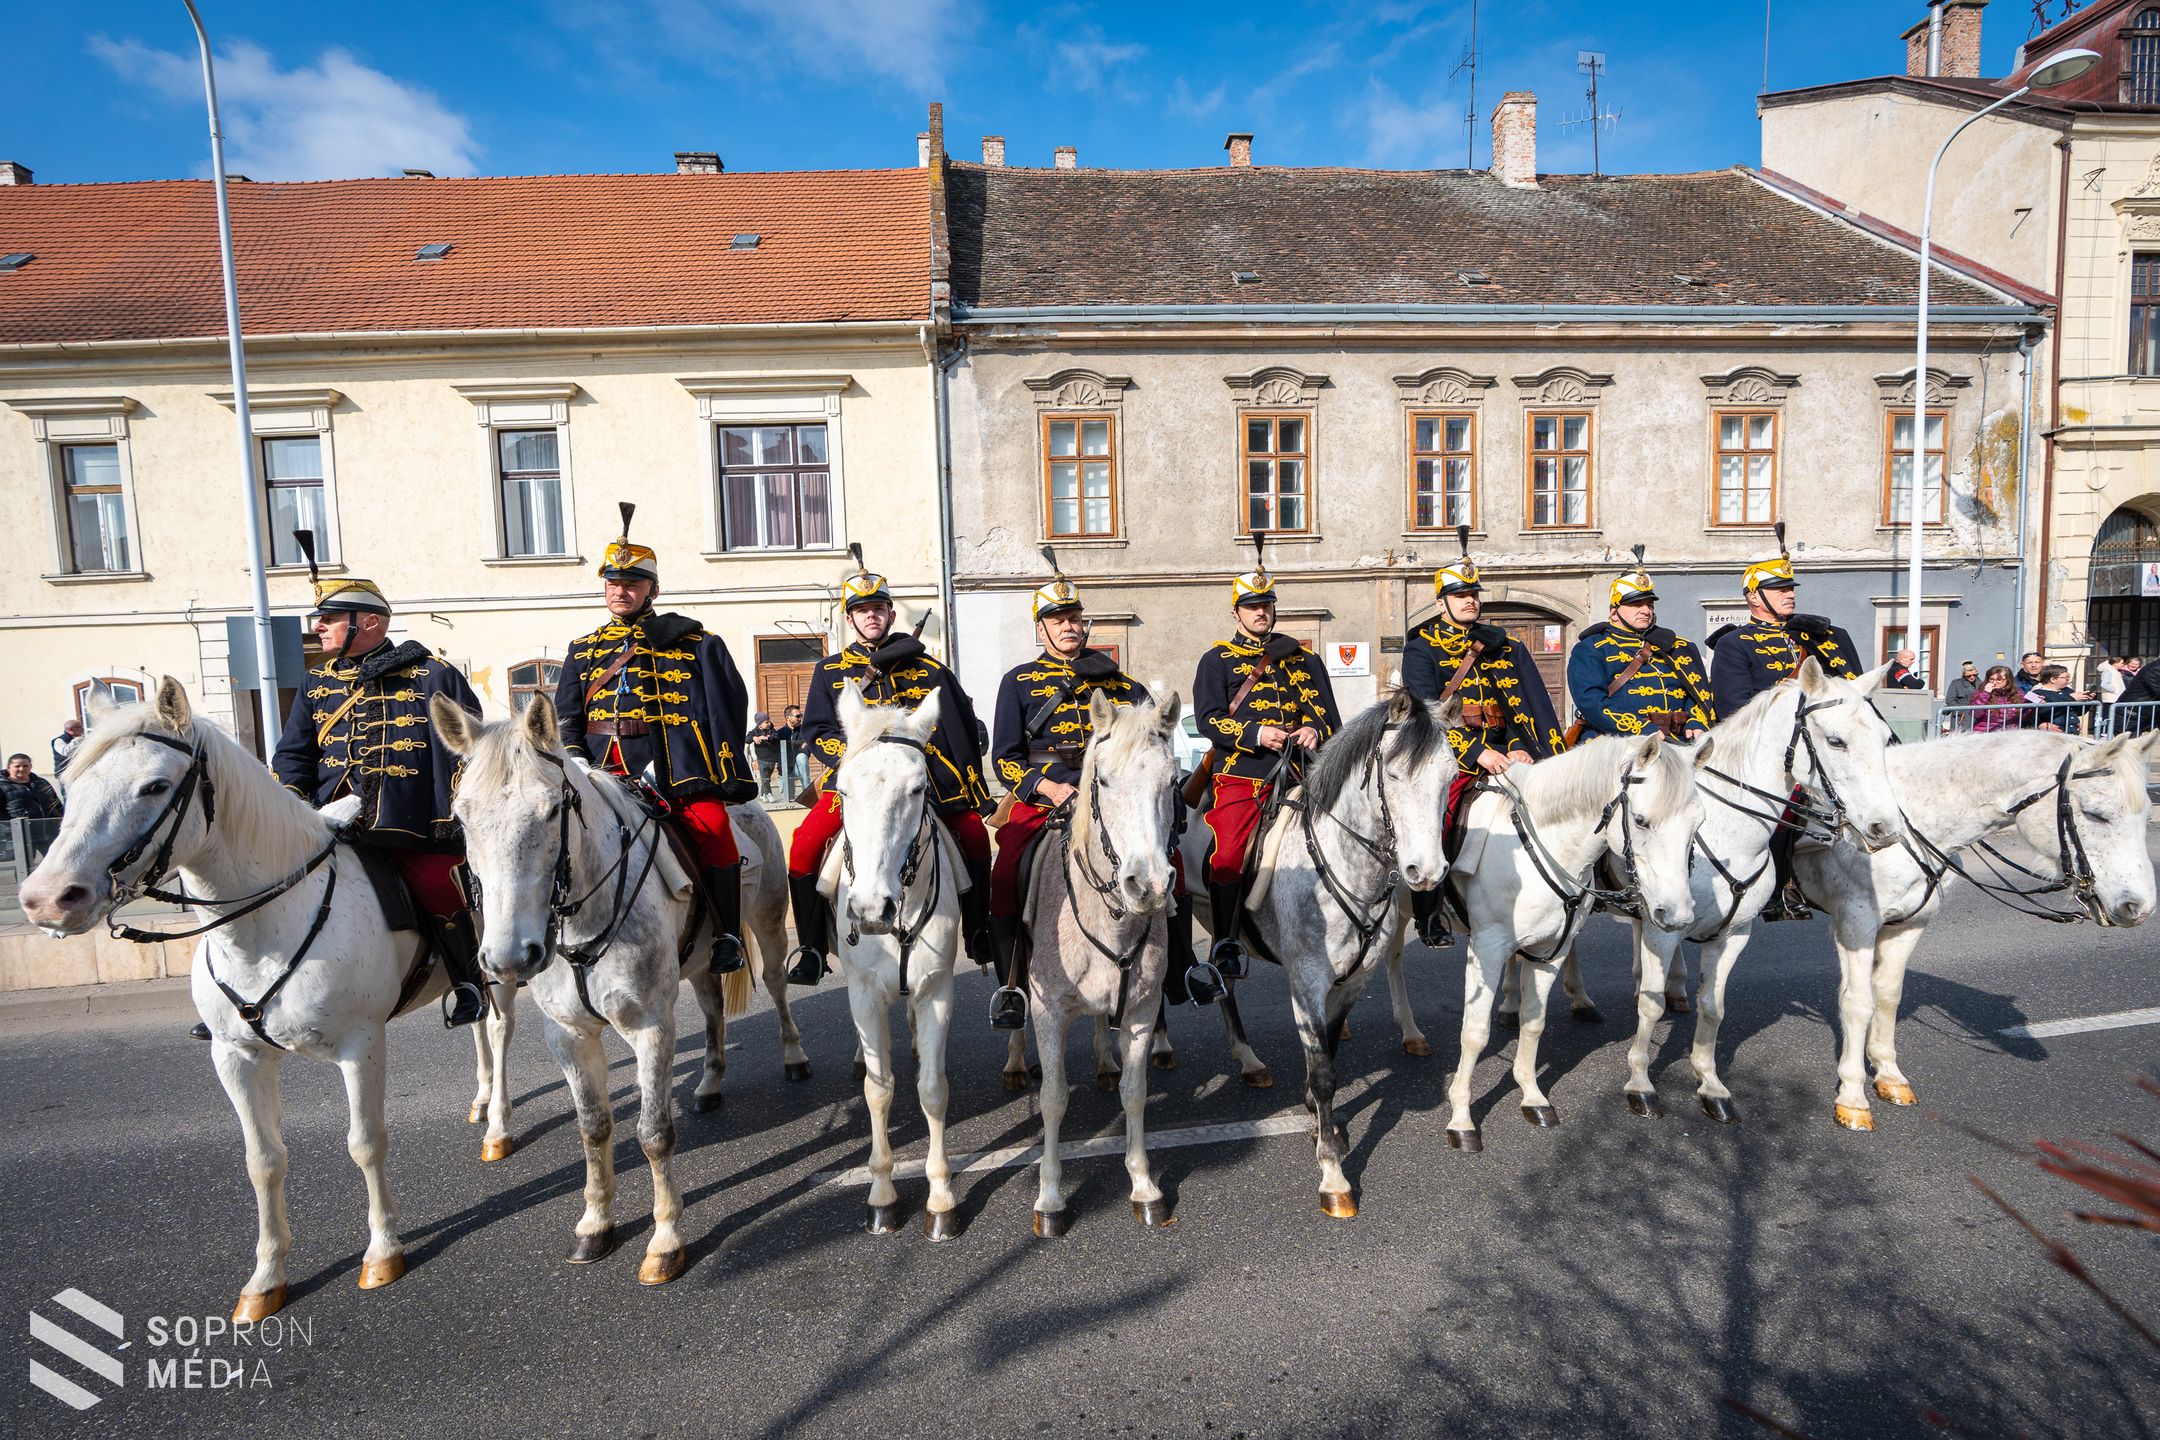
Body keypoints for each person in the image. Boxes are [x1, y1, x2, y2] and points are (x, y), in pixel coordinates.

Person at [270, 531, 489, 1029]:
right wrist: (293, 806)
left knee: (438, 884)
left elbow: (470, 750)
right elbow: (294, 752)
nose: (319, 627)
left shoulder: (432, 674)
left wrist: (453, 814)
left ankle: (467, 983)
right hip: (327, 818)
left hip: (411, 818)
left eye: (329, 619)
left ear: (369, 622)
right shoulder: (317, 680)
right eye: (318, 619)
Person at [555, 503, 754, 978]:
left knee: (715, 833)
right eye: (612, 583)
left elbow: (727, 710)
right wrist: (580, 763)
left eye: (631, 584)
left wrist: (714, 771)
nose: (620, 591)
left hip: (672, 769)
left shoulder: (695, 644)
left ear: (653, 589)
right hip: (601, 769)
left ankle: (726, 936)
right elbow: (567, 717)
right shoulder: (583, 649)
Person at [784, 552, 993, 986]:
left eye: (878, 609)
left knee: (973, 834)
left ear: (891, 613)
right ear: (851, 619)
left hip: (923, 776)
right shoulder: (831, 670)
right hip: (859, 776)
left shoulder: (928, 667)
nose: (872, 616)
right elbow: (817, 729)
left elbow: (957, 726)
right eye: (862, 611)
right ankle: (810, 947)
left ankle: (978, 931)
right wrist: (856, 755)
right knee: (805, 843)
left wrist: (967, 780)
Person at [985, 560, 1155, 1031]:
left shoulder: (1124, 685)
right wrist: (1045, 786)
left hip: (1113, 805)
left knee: (1169, 873)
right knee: (1005, 873)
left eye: (1075, 618)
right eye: (1059, 620)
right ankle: (1012, 987)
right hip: (1047, 801)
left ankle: (1181, 970)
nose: (1069, 627)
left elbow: (1149, 748)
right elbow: (1006, 757)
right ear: (1040, 628)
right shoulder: (1018, 682)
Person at [1190, 543, 1342, 999]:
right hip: (1245, 769)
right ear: (1236, 613)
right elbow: (1208, 719)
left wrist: (1314, 729)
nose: (1261, 612)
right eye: (1252, 607)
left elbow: (1332, 718)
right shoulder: (1216, 660)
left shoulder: (1304, 661)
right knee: (1230, 848)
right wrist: (1257, 734)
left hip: (1306, 769)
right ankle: (1226, 943)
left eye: (1266, 605)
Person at [1401, 525, 1564, 945]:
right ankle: (1429, 912)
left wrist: (1517, 746)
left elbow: (1520, 706)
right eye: (1460, 595)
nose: (1471, 600)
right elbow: (1426, 715)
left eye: (1474, 594)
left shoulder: (1501, 646)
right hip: (1448, 754)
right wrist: (1476, 753)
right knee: (1435, 817)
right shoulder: (1422, 648)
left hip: (1506, 751)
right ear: (1441, 602)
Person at [1707, 526, 1865, 921]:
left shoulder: (1816, 638)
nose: (1790, 594)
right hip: (1768, 750)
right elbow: (1732, 706)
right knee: (1785, 803)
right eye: (1779, 589)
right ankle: (1777, 887)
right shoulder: (1735, 644)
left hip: (1825, 740)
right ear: (1753, 598)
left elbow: (1851, 688)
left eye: (1790, 588)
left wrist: (1829, 639)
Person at [1565, 549, 1714, 742]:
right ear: (1614, 613)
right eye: (1636, 605)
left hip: (1679, 740)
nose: (1645, 610)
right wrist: (1641, 730)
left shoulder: (1676, 646)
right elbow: (1591, 702)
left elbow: (1697, 692)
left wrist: (1696, 721)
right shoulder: (1592, 648)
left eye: (1649, 605)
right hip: (1617, 740)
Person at [1968, 665, 2036, 732]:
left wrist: (2032, 705)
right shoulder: (1980, 692)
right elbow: (1975, 714)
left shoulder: (2018, 692)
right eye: (1991, 679)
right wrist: (1986, 693)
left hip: (2010, 733)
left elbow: (2023, 716)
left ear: (2008, 680)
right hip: (1986, 732)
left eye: (1999, 680)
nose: (1994, 682)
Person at [2029, 665, 2089, 733]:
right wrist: (2039, 724)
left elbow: (2078, 712)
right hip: (2050, 735)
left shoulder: (2069, 691)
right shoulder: (2033, 694)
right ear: (2053, 679)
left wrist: (2086, 701)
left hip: (2071, 733)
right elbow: (2043, 710)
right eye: (2065, 678)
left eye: (2068, 677)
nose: (2069, 680)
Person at [0, 753, 61, 820]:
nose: (21, 769)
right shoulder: (2, 786)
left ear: (30, 766)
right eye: (17, 766)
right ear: (8, 767)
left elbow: (57, 804)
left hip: (50, 825)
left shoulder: (42, 783)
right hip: (18, 828)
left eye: (25, 766)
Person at [748, 712, 781, 800]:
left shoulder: (772, 730)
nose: (769, 723)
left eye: (769, 721)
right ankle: (769, 793)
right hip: (761, 759)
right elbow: (747, 739)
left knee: (767, 777)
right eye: (766, 722)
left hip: (772, 759)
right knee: (765, 778)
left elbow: (776, 737)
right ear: (760, 724)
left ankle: (763, 794)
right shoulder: (754, 732)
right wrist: (753, 738)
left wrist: (767, 738)